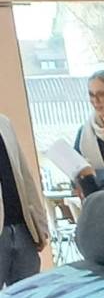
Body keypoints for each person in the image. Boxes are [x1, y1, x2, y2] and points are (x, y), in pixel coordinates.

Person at [0, 106, 47, 288]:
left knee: (30, 295)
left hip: (21, 228)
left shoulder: (4, 123)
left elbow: (25, 176)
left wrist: (40, 225)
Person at [73, 69, 104, 191]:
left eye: (101, 94)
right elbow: (76, 176)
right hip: (94, 198)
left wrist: (93, 174)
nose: (96, 100)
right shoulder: (83, 133)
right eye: (91, 95)